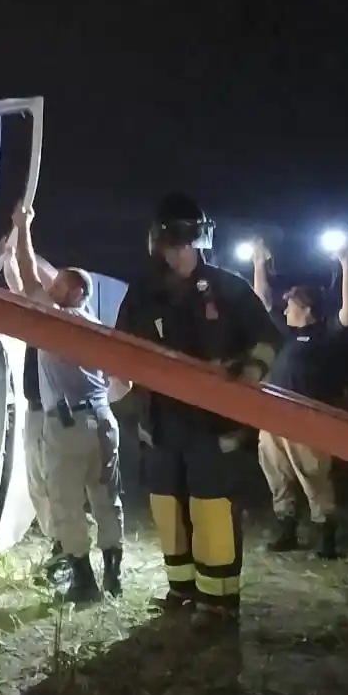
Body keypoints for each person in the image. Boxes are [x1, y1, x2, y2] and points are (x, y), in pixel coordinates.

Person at [115, 192, 281, 624]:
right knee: (169, 508)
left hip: (214, 427)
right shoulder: (143, 294)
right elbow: (122, 350)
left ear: (201, 240)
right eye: (173, 242)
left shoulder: (228, 288)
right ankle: (182, 589)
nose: (182, 251)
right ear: (158, 242)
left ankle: (220, 600)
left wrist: (249, 374)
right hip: (162, 424)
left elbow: (267, 337)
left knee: (212, 508)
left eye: (189, 241)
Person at [10, 202, 128, 603]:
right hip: (103, 419)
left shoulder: (55, 319)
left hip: (68, 426)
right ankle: (114, 576)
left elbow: (26, 271)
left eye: (58, 282)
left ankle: (84, 582)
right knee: (106, 498)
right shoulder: (98, 329)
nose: (50, 287)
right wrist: (96, 402)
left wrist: (23, 226)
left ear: (76, 291)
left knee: (66, 503)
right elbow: (123, 382)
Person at [251, 235, 348, 558]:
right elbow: (261, 303)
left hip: (309, 417)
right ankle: (287, 529)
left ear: (308, 309)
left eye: (292, 305)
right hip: (273, 415)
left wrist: (346, 261)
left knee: (313, 476)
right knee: (277, 472)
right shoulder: (286, 335)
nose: (285, 309)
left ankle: (326, 538)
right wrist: (259, 263)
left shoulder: (326, 334)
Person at [0, 231, 60, 570]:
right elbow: (19, 287)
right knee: (38, 481)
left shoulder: (63, 317)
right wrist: (10, 256)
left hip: (55, 414)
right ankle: (59, 543)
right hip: (36, 410)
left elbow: (35, 276)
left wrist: (23, 234)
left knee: (55, 482)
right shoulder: (40, 315)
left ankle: (69, 546)